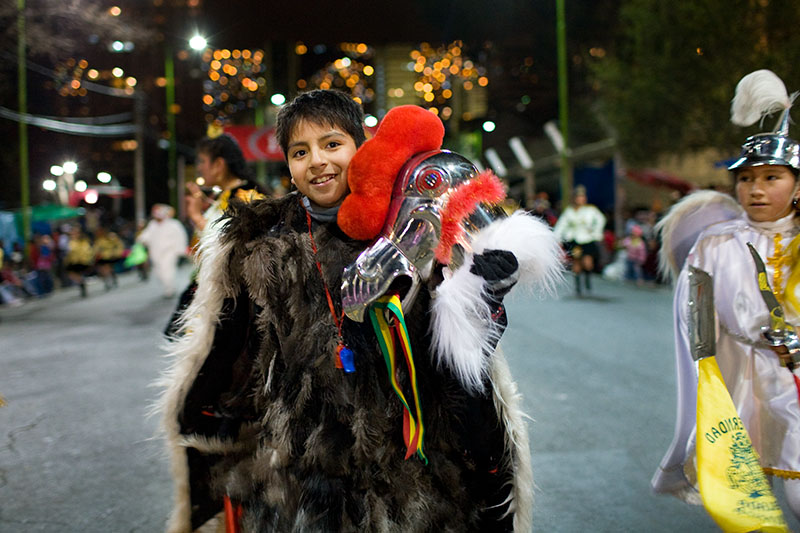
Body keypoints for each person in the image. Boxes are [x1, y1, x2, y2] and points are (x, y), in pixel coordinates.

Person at [159, 90, 560, 532]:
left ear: (359, 147)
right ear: (289, 167)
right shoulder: (259, 244)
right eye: (300, 151)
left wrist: (483, 300)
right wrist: (208, 425)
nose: (317, 161)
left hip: (408, 466)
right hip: (301, 471)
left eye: (332, 144)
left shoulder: (408, 225)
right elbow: (232, 352)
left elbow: (451, 351)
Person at [652, 70, 800, 520]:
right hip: (746, 382)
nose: (756, 189)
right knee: (747, 503)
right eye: (747, 178)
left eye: (772, 177)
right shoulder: (715, 245)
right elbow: (697, 330)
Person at [553, 184, 606, 295]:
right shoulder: (569, 211)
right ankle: (578, 287)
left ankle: (588, 282)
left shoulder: (591, 210)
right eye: (578, 197)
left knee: (588, 263)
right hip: (575, 239)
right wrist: (558, 238)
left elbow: (600, 220)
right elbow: (561, 225)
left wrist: (596, 232)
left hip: (588, 239)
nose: (580, 199)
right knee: (576, 262)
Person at [137, 204, 188, 298]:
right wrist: (141, 239)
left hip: (169, 252)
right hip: (155, 252)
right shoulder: (153, 224)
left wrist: (180, 250)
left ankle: (170, 290)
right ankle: (169, 287)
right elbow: (146, 235)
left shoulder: (174, 224)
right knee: (159, 272)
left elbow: (181, 237)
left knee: (167, 270)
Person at [63, 226, 94, 298]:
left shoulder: (82, 241)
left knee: (75, 273)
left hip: (81, 261)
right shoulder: (70, 242)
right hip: (73, 261)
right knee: (72, 274)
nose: (73, 235)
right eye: (71, 233)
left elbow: (87, 251)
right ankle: (81, 283)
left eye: (75, 233)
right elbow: (68, 254)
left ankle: (82, 283)